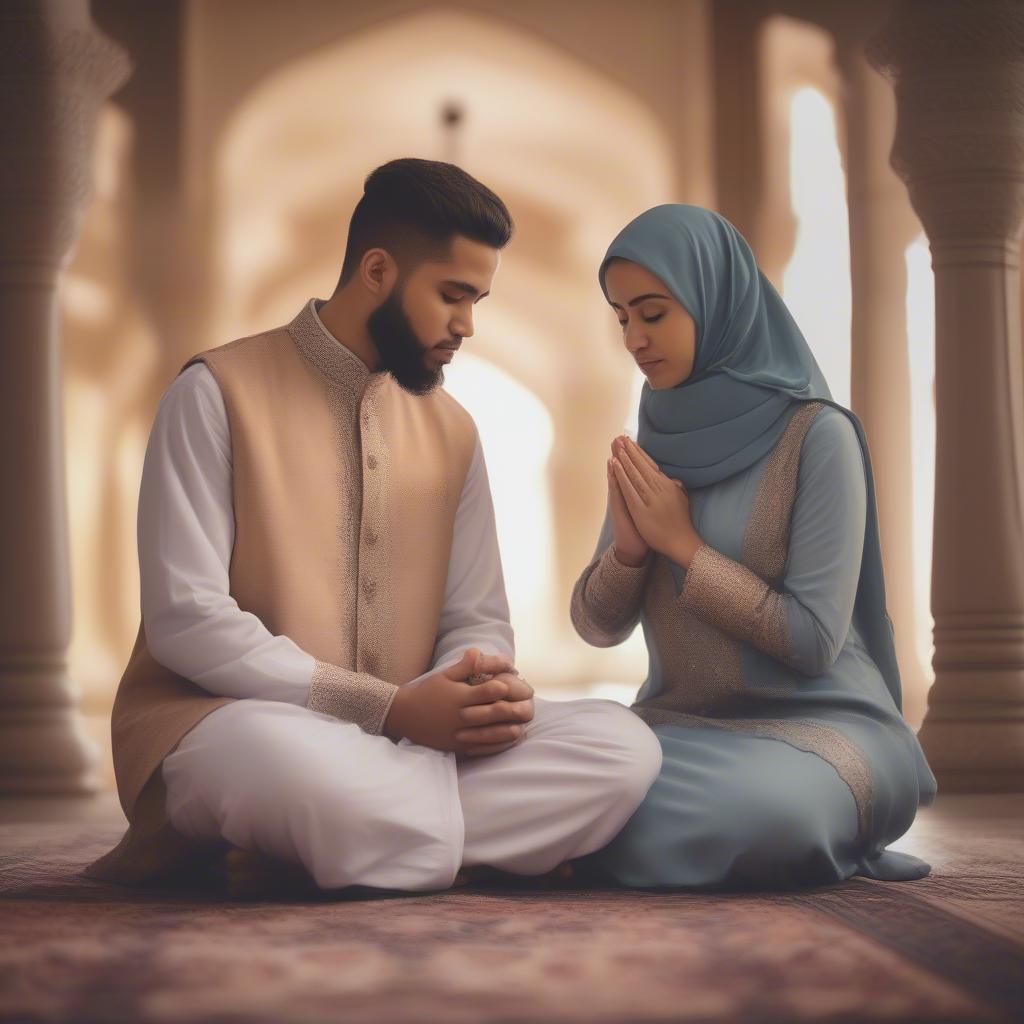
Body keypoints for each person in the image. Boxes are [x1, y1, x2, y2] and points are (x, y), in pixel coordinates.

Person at [84, 158, 662, 892]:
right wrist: (384, 709)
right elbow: (187, 622)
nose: (468, 326)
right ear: (379, 271)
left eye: (478, 300)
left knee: (621, 747)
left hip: (414, 743)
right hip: (238, 722)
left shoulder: (453, 430)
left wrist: (476, 689)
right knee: (279, 759)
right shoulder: (216, 393)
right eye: (453, 296)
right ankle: (429, 841)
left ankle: (317, 850)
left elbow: (476, 617)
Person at [570, 203, 937, 890]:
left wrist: (683, 547)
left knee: (769, 815)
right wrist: (627, 553)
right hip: (677, 729)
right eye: (622, 318)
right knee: (531, 756)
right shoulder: (654, 443)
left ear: (718, 302)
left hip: (822, 737)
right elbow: (596, 627)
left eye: (653, 313)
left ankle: (566, 837)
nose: (635, 339)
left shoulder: (818, 438)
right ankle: (577, 828)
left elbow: (812, 640)